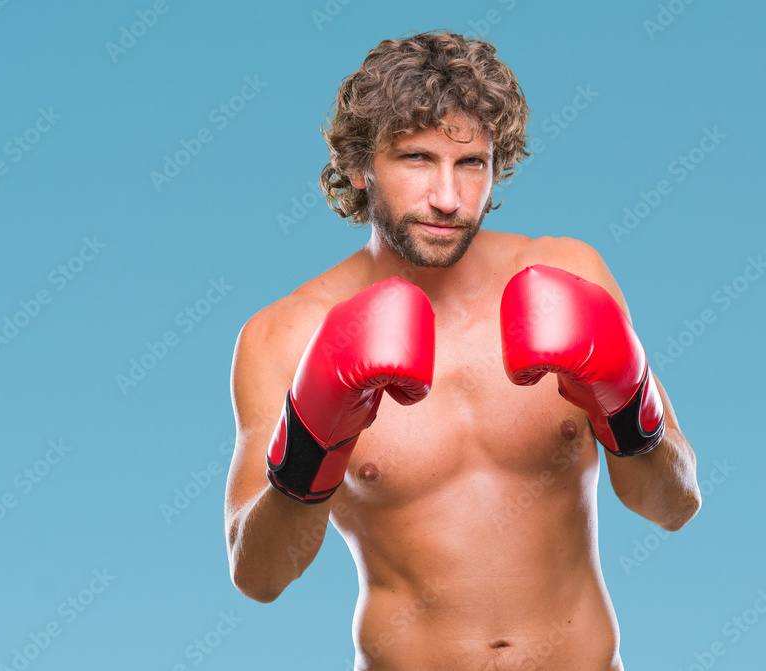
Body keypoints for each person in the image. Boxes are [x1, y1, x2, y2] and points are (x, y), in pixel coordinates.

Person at [224, 30, 700, 670]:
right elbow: (259, 577)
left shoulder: (571, 274)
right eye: (417, 159)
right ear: (362, 166)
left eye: (471, 162)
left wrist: (626, 403)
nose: (448, 198)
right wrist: (311, 444)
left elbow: (673, 505)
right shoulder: (284, 335)